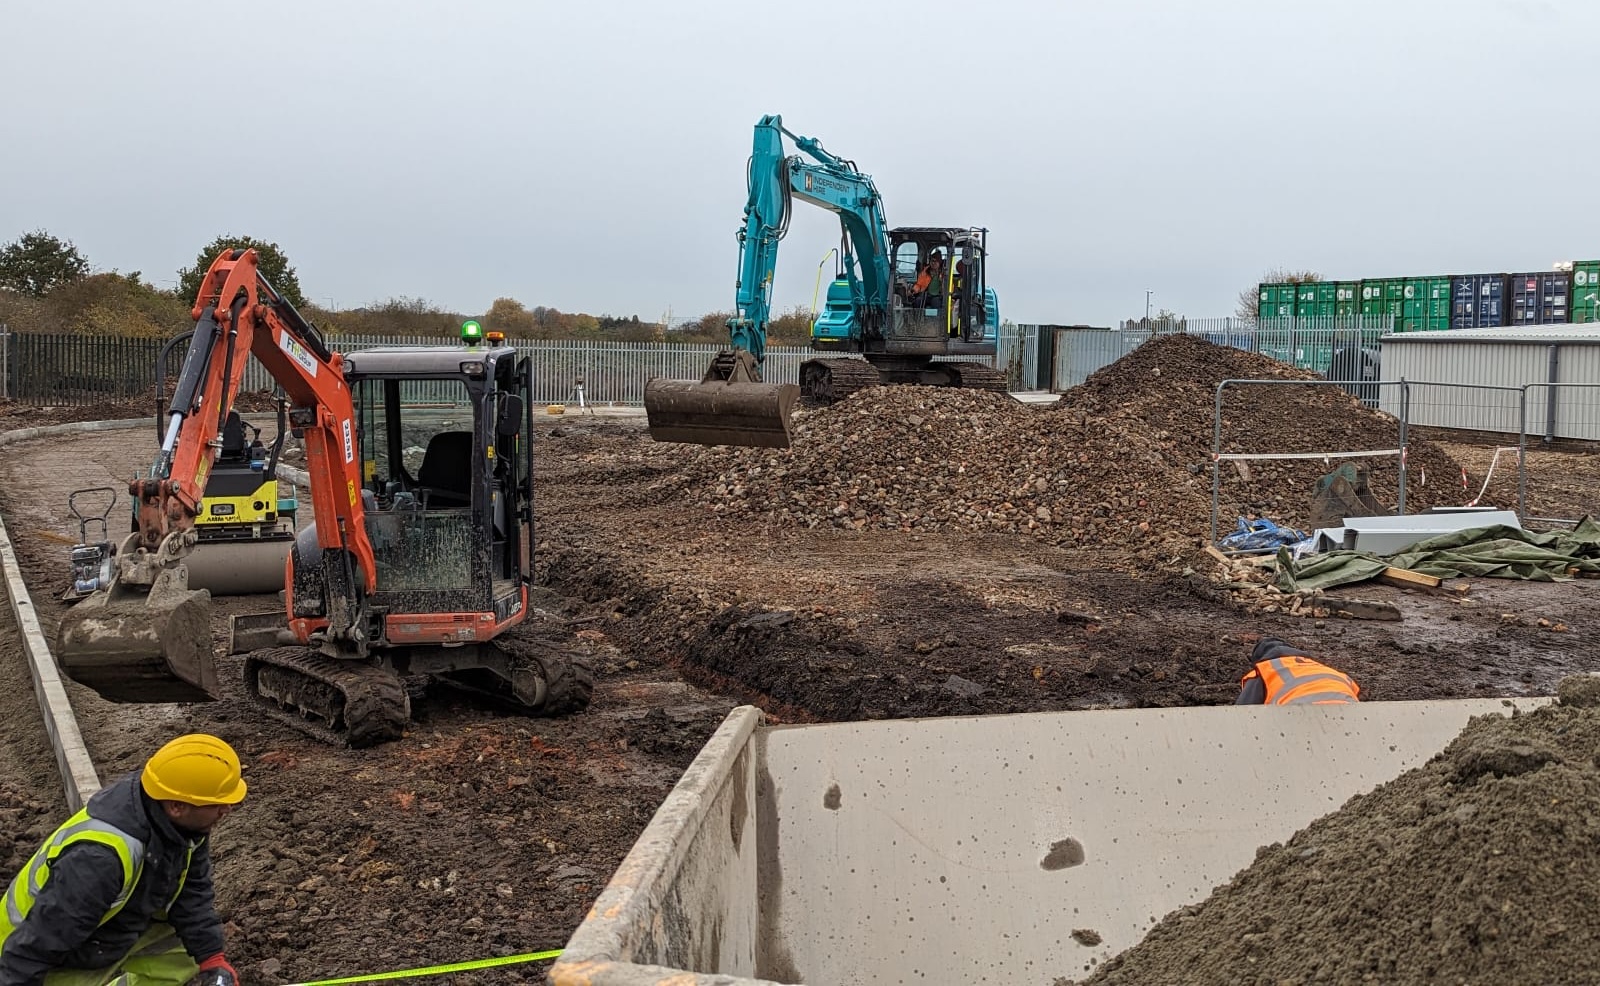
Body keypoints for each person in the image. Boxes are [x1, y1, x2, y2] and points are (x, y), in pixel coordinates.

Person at [0, 734, 248, 986]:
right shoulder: (99, 859)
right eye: (218, 803)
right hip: (37, 950)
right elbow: (40, 942)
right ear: (176, 806)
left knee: (184, 947)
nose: (226, 809)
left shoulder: (182, 822)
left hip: (94, 929)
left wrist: (212, 958)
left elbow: (191, 893)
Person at [1235, 637, 1360, 705]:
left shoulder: (1264, 671)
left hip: (1300, 716)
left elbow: (1244, 716)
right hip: (1350, 717)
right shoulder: (1328, 670)